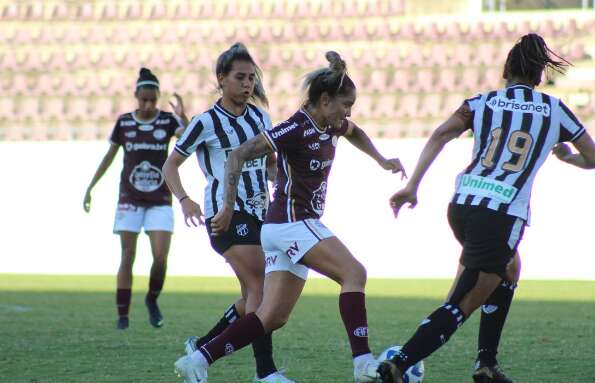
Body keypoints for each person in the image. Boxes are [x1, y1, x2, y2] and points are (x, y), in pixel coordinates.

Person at [377, 33, 595, 383]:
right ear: (539, 76)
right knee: (463, 300)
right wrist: (567, 157)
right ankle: (398, 365)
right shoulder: (555, 111)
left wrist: (412, 186)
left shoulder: (481, 102)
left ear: (505, 71)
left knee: (510, 268)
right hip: (501, 214)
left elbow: (440, 133)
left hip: (463, 205)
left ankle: (487, 364)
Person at [173, 51, 407, 383]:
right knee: (354, 273)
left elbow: (354, 132)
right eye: (345, 104)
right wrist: (226, 206)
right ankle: (363, 363)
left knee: (272, 315)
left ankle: (199, 358)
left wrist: (382, 160)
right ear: (324, 101)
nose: (349, 112)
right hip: (291, 223)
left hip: (283, 227)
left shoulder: (332, 124)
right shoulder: (296, 127)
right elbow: (239, 153)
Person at [163, 43, 293, 383]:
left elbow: (270, 164)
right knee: (260, 288)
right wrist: (185, 199)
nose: (247, 84)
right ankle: (265, 373)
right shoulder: (205, 122)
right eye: (240, 77)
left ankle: (201, 348)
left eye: (252, 78)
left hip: (260, 214)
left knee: (251, 296)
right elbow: (170, 165)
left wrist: (279, 181)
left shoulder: (260, 118)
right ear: (222, 79)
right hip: (225, 215)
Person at [83, 68, 189, 330]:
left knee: (161, 256)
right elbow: (110, 156)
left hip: (160, 198)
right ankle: (123, 315)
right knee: (127, 254)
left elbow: (188, 138)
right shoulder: (124, 123)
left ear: (158, 97)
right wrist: (90, 188)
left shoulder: (166, 121)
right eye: (144, 99)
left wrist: (183, 117)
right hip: (129, 198)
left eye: (153, 100)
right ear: (135, 96)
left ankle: (152, 300)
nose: (148, 105)